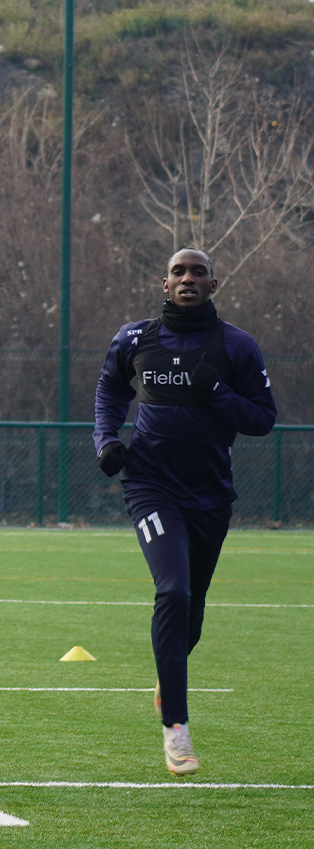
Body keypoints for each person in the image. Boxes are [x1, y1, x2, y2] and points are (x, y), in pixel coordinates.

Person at [93, 247, 276, 776]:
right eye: (179, 271)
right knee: (173, 590)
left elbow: (262, 419)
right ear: (164, 283)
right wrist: (107, 440)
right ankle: (176, 726)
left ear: (213, 285)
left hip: (210, 495)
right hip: (150, 487)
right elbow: (109, 389)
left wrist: (215, 389)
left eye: (198, 272)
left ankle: (165, 675)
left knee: (191, 614)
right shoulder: (135, 338)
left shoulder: (237, 345)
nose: (188, 278)